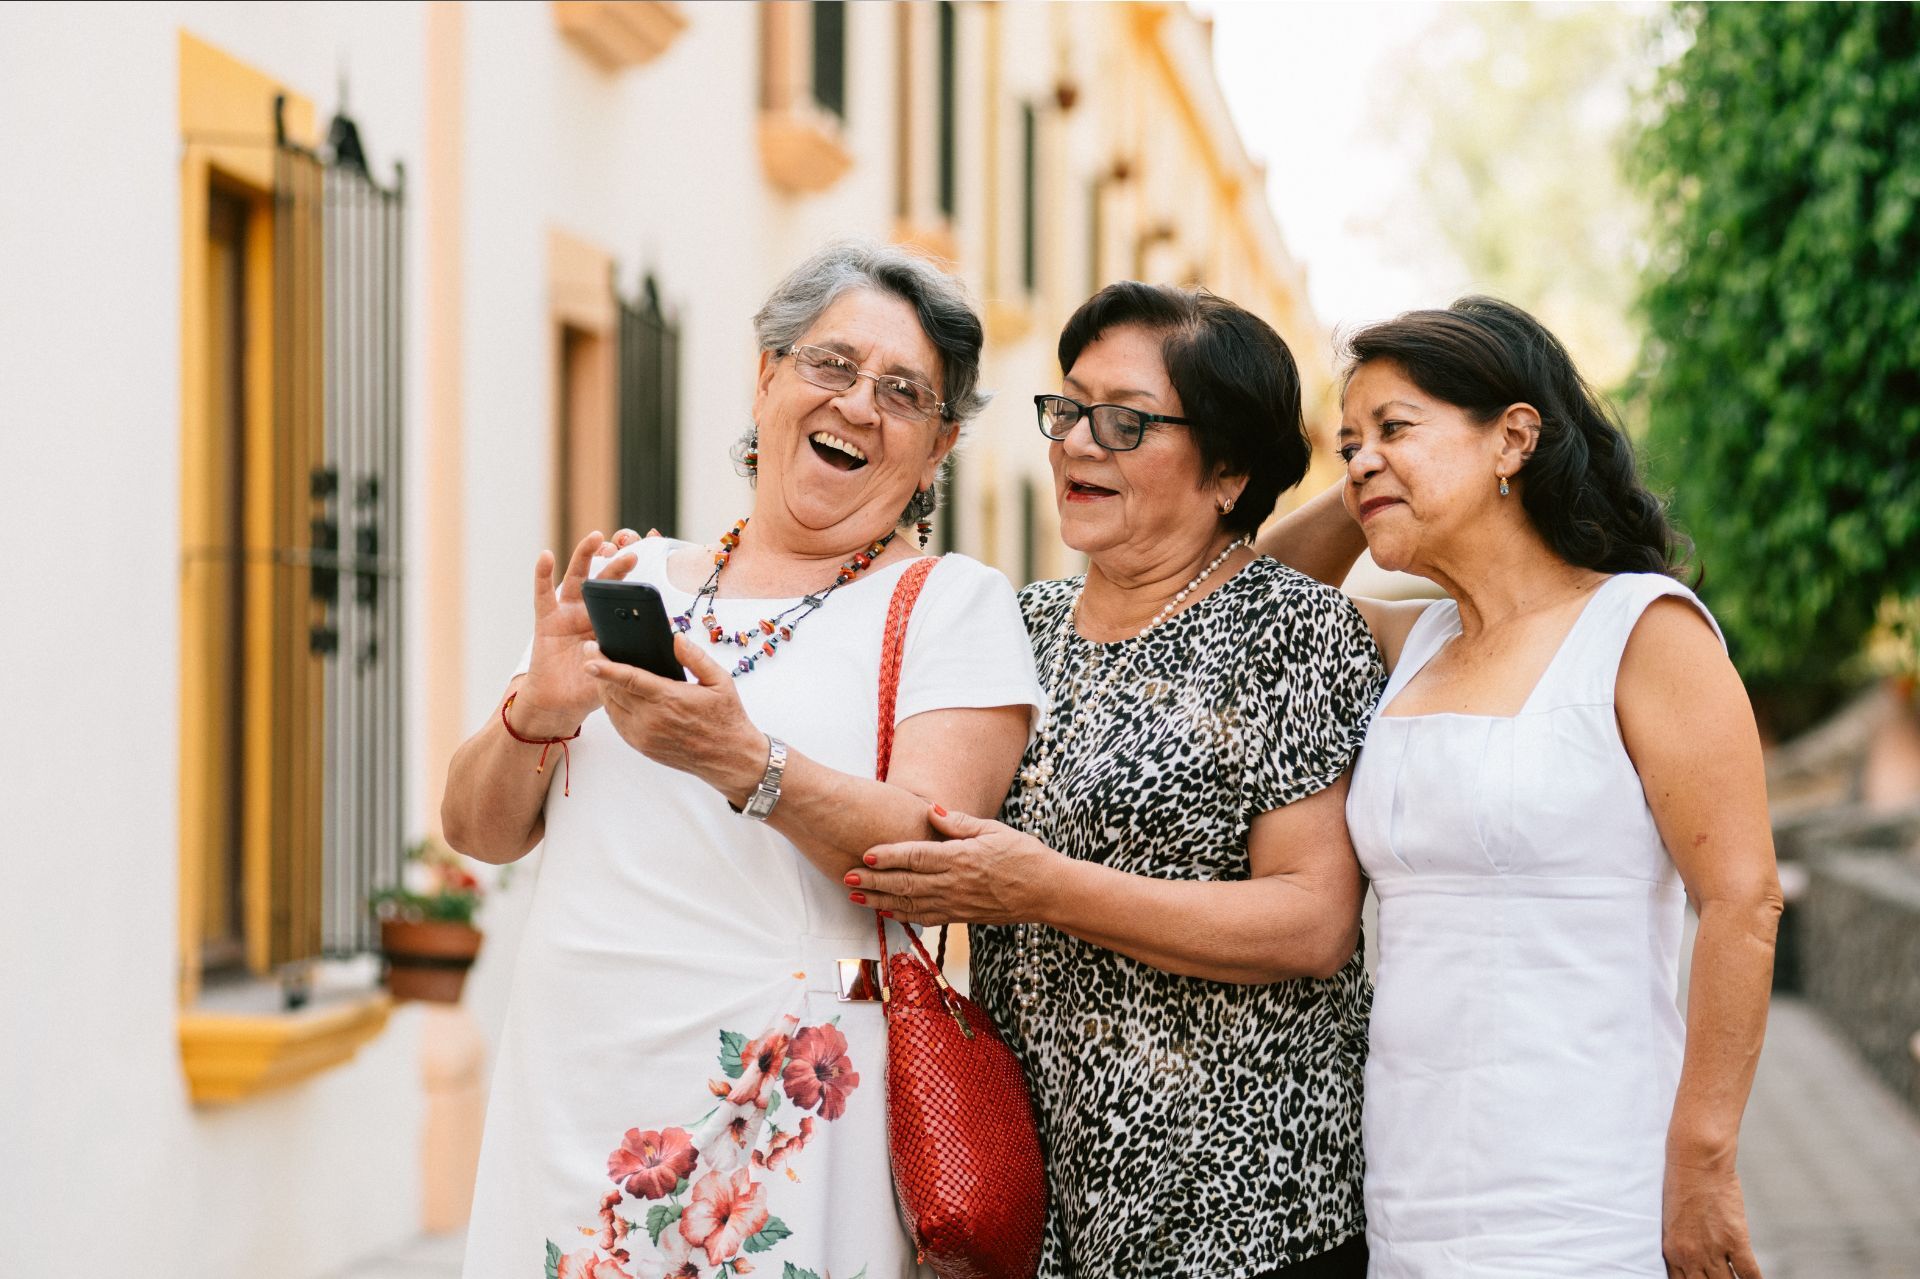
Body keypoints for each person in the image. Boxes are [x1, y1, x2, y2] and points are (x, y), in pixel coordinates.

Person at [441, 241, 1043, 1279]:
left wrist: (747, 764)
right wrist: (534, 709)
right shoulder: (632, 577)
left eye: (904, 391)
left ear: (939, 445)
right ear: (767, 375)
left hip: (777, 1103)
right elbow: (477, 830)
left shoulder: (953, 604)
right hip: (572, 1086)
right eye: (832, 365)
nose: (859, 404)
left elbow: (934, 851)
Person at [848, 282, 1386, 1278]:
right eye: (1070, 407)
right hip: (1038, 1207)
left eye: (1126, 421)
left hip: (1243, 1215)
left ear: (1228, 469)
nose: (1078, 442)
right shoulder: (1020, 625)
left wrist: (1039, 888)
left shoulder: (1293, 630)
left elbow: (1313, 923)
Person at [1261, 297, 1781, 1278]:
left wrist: (1702, 1157)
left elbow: (1742, 899)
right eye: (1347, 442)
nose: (1361, 458)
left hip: (1589, 1186)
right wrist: (1378, 477)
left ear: (1514, 437)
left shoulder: (1642, 628)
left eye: (1396, 427)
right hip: (1411, 1177)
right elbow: (1258, 595)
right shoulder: (1409, 644)